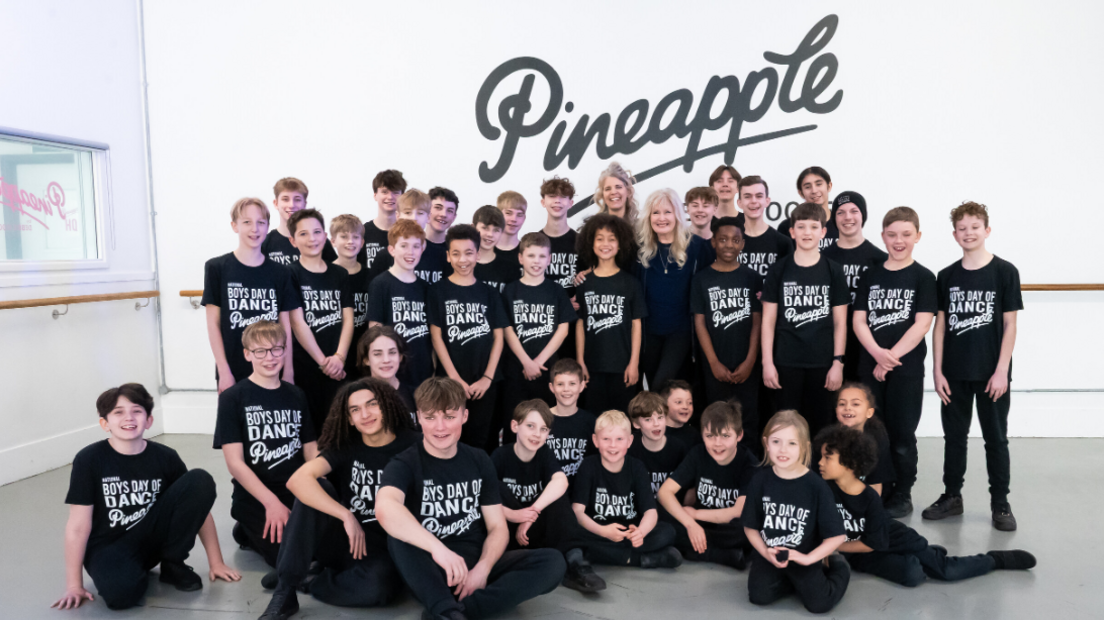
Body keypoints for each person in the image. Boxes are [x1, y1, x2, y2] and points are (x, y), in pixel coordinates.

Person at [376, 377, 567, 620]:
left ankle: (455, 611)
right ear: (420, 418)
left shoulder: (478, 460)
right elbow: (385, 508)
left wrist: (483, 569)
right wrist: (439, 550)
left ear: (464, 416)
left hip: (476, 561)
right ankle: (448, 608)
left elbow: (497, 527)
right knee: (398, 536)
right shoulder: (404, 463)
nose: (440, 427)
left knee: (552, 562)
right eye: (431, 417)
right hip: (431, 566)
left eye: (449, 416)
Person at [53, 384, 239, 611]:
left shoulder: (165, 457)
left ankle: (172, 564)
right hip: (109, 546)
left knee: (199, 479)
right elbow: (78, 526)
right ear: (105, 423)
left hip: (151, 541)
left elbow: (196, 507)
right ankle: (127, 572)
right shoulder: (89, 460)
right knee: (121, 597)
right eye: (118, 412)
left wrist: (216, 561)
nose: (128, 418)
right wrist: (74, 585)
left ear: (149, 420)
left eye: (137, 411)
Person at [258, 378, 418, 620]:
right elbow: (297, 481)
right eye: (355, 410)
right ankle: (286, 591)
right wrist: (345, 515)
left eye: (371, 404)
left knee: (380, 589)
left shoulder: (413, 444)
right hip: (346, 538)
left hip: (386, 548)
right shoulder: (347, 446)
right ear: (349, 419)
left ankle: (311, 581)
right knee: (314, 487)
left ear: (386, 405)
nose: (364, 414)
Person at [816, 425, 1035, 587]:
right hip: (862, 553)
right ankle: (929, 555)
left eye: (827, 458)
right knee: (912, 576)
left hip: (888, 541)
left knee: (945, 571)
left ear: (848, 463)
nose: (820, 463)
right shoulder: (824, 490)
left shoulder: (869, 498)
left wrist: (834, 547)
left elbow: (871, 542)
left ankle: (994, 560)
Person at [925, 201, 1023, 531]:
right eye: (962, 228)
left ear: (987, 230)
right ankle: (952, 496)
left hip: (991, 373)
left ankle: (1001, 503)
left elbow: (1010, 325)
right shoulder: (946, 275)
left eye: (974, 227)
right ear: (954, 234)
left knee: (995, 439)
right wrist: (937, 371)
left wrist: (1001, 370)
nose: (968, 233)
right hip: (954, 373)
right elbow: (939, 326)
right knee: (955, 438)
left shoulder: (1004, 272)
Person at [214, 321, 318, 575]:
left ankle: (249, 532)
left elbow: (310, 448)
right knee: (289, 559)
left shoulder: (296, 395)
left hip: (295, 488)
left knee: (322, 549)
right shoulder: (232, 398)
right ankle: (248, 525)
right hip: (257, 495)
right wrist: (271, 502)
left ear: (285, 351)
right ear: (247, 354)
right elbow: (235, 463)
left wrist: (318, 486)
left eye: (276, 349)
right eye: (260, 351)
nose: (269, 357)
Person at [852, 206, 937, 518]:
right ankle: (878, 488)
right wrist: (876, 353)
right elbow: (859, 320)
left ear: (917, 236)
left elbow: (921, 324)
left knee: (902, 434)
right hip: (870, 366)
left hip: (905, 370)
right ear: (883, 236)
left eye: (905, 234)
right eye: (891, 235)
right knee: (872, 431)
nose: (898, 241)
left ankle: (902, 492)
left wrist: (890, 358)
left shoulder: (924, 277)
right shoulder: (871, 274)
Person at [742, 410, 849, 613]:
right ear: (766, 443)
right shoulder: (759, 480)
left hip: (804, 555)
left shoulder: (816, 486)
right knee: (758, 596)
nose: (783, 449)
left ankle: (840, 567)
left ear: (804, 447)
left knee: (819, 605)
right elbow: (750, 527)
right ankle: (793, 582)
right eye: (776, 442)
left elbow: (837, 536)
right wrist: (765, 552)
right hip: (772, 554)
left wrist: (807, 559)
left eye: (792, 443)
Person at [490, 401, 603, 592]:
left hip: (535, 528)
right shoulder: (500, 456)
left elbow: (561, 481)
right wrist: (513, 515)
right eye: (530, 426)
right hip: (508, 531)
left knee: (557, 494)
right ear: (514, 426)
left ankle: (576, 565)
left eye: (543, 429)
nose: (537, 434)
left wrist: (531, 515)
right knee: (497, 488)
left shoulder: (544, 453)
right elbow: (483, 499)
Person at [761, 202, 849, 439]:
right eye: (801, 227)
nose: (807, 232)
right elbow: (768, 321)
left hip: (822, 364)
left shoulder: (834, 270)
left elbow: (840, 322)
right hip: (785, 362)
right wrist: (767, 363)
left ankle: (817, 475)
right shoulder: (779, 269)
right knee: (786, 427)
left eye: (813, 227)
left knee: (820, 427)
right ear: (792, 232)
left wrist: (838, 362)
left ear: (823, 232)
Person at [202, 197, 299, 392]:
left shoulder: (281, 272)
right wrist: (223, 371)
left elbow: (285, 324)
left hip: (273, 367)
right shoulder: (217, 268)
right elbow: (213, 324)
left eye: (260, 223)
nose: (254, 229)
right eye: (247, 222)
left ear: (267, 227)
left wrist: (288, 370)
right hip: (233, 367)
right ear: (234, 226)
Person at [428, 224, 508, 452]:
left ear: (478, 254)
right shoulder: (437, 291)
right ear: (448, 256)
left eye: (469, 253)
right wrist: (454, 379)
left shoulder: (489, 293)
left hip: (485, 382)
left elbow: (499, 338)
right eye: (456, 253)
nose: (463, 259)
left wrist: (487, 378)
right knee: (449, 438)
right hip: (450, 382)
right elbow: (437, 338)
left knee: (483, 441)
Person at [570, 410, 682, 570]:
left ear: (629, 441)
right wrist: (603, 531)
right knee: (571, 533)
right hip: (598, 529)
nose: (613, 445)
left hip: (629, 530)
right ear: (595, 440)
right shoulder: (588, 466)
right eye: (606, 439)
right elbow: (578, 511)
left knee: (667, 532)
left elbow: (651, 511)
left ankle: (604, 555)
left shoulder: (636, 467)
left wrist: (641, 533)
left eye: (619, 439)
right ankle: (636, 559)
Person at [658, 401, 758, 568]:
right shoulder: (698, 453)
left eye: (725, 436)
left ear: (739, 435)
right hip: (700, 523)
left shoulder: (749, 463)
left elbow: (738, 511)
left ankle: (693, 550)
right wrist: (690, 524)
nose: (717, 443)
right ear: (702, 435)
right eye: (710, 436)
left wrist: (695, 515)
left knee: (748, 529)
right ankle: (722, 555)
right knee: (660, 516)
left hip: (726, 525)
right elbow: (664, 492)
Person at [691, 216, 762, 447]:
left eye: (735, 240)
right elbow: (699, 323)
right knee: (716, 416)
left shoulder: (752, 277)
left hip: (747, 363)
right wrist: (713, 362)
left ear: (742, 243)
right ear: (713, 242)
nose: (728, 245)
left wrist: (751, 359)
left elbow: (757, 321)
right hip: (715, 364)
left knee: (748, 418)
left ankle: (749, 469)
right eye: (722, 240)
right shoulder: (701, 278)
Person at [500, 232, 577, 442]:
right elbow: (507, 329)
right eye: (531, 255)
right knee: (514, 424)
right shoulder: (510, 290)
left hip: (547, 369)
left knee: (546, 424)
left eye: (542, 256)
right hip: (516, 370)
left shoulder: (556, 290)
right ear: (520, 257)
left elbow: (563, 329)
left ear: (549, 259)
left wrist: (539, 362)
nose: (536, 261)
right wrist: (526, 361)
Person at [636, 188, 712, 390]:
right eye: (656, 212)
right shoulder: (639, 250)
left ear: (678, 214)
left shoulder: (698, 247)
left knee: (663, 387)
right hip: (649, 334)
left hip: (682, 332)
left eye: (667, 212)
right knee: (654, 387)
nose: (662, 218)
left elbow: (717, 277)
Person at [287, 209, 354, 432]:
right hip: (307, 365)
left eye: (316, 232)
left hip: (339, 365)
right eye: (303, 234)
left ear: (325, 236)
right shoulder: (290, 274)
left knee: (338, 427)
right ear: (293, 240)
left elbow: (348, 319)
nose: (312, 239)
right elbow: (298, 322)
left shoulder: (339, 274)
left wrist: (339, 357)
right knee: (310, 428)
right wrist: (323, 362)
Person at [574, 214, 646, 414]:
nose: (605, 244)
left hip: (623, 367)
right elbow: (580, 324)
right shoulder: (584, 282)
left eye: (612, 239)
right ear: (591, 243)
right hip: (592, 366)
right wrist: (580, 362)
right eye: (599, 238)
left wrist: (634, 363)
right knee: (594, 420)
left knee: (623, 420)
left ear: (621, 244)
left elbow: (636, 325)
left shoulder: (630, 283)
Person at [821, 191, 887, 381]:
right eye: (840, 212)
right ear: (833, 218)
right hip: (830, 345)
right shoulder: (822, 259)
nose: (847, 217)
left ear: (863, 216)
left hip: (867, 347)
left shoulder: (880, 259)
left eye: (854, 211)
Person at [367, 219, 434, 386]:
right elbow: (375, 331)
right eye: (404, 246)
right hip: (392, 372)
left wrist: (433, 367)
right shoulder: (380, 284)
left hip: (422, 371)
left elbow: (432, 334)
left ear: (423, 249)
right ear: (391, 250)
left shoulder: (426, 287)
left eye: (416, 246)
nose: (410, 252)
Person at [539, 176, 581, 362]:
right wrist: (560, 306)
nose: (557, 200)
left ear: (570, 203)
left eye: (563, 196)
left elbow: (589, 280)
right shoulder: (533, 243)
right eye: (551, 195)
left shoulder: (581, 242)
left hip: (574, 325)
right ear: (543, 202)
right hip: (541, 323)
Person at [833, 382, 895, 496]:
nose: (847, 408)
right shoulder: (828, 440)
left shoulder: (878, 439)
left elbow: (876, 483)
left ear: (869, 412)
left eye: (855, 404)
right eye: (842, 404)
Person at [260, 177, 338, 265]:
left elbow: (333, 274)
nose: (291, 205)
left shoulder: (319, 241)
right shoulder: (265, 243)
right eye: (285, 199)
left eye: (297, 199)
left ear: (305, 204)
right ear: (276, 203)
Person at [330, 214, 371, 378]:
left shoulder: (371, 276)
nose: (350, 242)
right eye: (344, 236)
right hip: (334, 353)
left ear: (362, 242)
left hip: (363, 353)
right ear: (333, 241)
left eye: (355, 237)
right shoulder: (326, 275)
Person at [545, 359, 597, 482]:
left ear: (582, 386)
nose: (566, 389)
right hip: (548, 492)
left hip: (581, 492)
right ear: (552, 387)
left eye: (572, 384)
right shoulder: (541, 420)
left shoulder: (592, 422)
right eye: (560, 384)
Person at [627, 391, 687, 496]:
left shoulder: (679, 448)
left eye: (660, 417)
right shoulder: (629, 448)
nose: (656, 424)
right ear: (636, 424)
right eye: (648, 419)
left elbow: (689, 487)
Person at [736, 175, 793, 281]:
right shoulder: (730, 241)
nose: (753, 201)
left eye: (759, 196)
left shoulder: (783, 243)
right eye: (747, 196)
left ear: (767, 201)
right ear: (739, 203)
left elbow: (788, 282)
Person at [354, 324, 417, 420]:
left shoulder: (416, 396)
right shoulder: (355, 398)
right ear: (366, 360)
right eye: (377, 354)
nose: (386, 360)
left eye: (392, 352)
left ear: (400, 357)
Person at [360, 169, 406, 278]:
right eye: (384, 192)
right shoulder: (362, 232)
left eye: (395, 192)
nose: (390, 197)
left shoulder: (409, 234)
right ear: (375, 195)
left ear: (403, 196)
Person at [778, 167, 838, 250]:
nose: (814, 190)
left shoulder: (841, 224)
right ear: (800, 193)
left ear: (829, 186)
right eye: (807, 187)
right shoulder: (787, 226)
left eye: (819, 184)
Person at [472, 205, 520, 292]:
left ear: (502, 232)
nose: (490, 234)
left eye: (496, 230)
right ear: (473, 228)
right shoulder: (463, 265)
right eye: (485, 228)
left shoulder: (510, 269)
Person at [421, 187, 459, 285]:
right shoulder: (411, 246)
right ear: (426, 210)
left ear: (454, 217)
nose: (443, 214)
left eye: (450, 211)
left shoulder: (456, 252)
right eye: (438, 207)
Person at [661, 380, 701, 448]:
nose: (685, 407)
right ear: (664, 405)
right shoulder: (657, 433)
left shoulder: (693, 435)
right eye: (679, 402)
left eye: (690, 403)